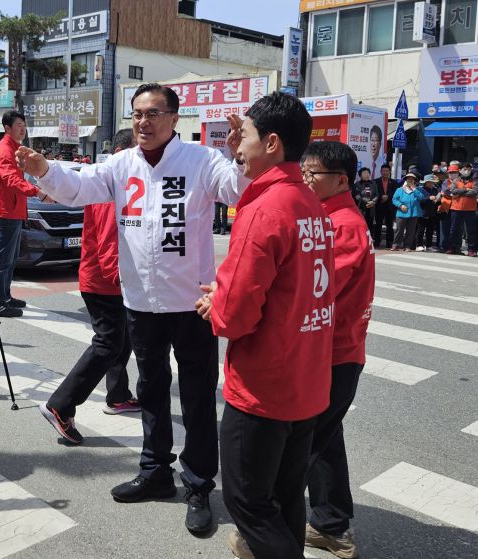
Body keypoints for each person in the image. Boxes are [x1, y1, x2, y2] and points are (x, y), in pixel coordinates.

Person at [16, 83, 246, 535]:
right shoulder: (121, 164)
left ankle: (198, 484)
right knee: (152, 390)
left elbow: (236, 190)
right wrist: (45, 170)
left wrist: (240, 158)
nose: (143, 121)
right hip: (141, 302)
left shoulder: (201, 161)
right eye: (138, 113)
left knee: (198, 397)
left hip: (193, 303)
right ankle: (155, 471)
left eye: (153, 113)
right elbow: (79, 186)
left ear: (174, 118)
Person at [196, 92, 334, 559]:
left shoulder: (264, 208)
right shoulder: (309, 202)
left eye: (246, 136)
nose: (237, 146)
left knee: (247, 501)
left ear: (272, 143)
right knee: (286, 494)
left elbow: (234, 317)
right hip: (305, 377)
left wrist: (216, 304)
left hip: (264, 384)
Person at [40, 128, 141, 445]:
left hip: (104, 279)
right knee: (108, 343)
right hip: (104, 282)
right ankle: (60, 405)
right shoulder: (113, 185)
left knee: (120, 340)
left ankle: (118, 395)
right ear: (123, 152)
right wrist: (124, 283)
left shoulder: (110, 180)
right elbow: (110, 243)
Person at [300, 141, 375, 559]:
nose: (306, 180)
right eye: (304, 172)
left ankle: (270, 526)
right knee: (324, 438)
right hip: (334, 349)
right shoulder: (329, 218)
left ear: (341, 180)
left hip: (334, 352)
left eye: (313, 174)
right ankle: (331, 524)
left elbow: (318, 289)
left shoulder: (340, 225)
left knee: (304, 440)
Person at [0, 110, 47, 318]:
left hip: (13, 210)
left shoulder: (15, 148)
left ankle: (4, 297)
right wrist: (37, 192)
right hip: (6, 211)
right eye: (18, 125)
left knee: (10, 258)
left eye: (24, 124)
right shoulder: (5, 150)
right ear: (7, 128)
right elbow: (11, 179)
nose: (23, 128)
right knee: (3, 258)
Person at [445, 161, 478, 256]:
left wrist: (460, 192)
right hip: (456, 208)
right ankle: (453, 248)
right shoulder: (456, 180)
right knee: (454, 229)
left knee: (471, 230)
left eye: (469, 169)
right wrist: (466, 190)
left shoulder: (475, 181)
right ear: (460, 170)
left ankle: (471, 250)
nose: (467, 171)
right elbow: (453, 191)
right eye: (465, 169)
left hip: (470, 209)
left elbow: (474, 192)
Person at [391, 172, 427, 251]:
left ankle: (407, 246)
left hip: (413, 213)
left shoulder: (417, 190)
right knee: (399, 230)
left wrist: (414, 189)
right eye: (408, 179)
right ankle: (396, 245)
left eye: (412, 179)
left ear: (414, 181)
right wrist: (400, 205)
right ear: (406, 180)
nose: (410, 180)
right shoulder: (400, 189)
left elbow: (421, 198)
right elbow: (394, 199)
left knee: (410, 231)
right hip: (401, 213)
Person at [373, 164, 397, 248]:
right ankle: (377, 241)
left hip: (390, 207)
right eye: (383, 171)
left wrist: (387, 196)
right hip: (379, 206)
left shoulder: (394, 182)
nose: (385, 172)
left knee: (389, 225)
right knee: (378, 224)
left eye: (387, 171)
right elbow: (375, 192)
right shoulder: (375, 181)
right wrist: (381, 196)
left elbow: (395, 193)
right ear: (380, 171)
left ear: (390, 172)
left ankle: (389, 242)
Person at [416, 174, 440, 252]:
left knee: (430, 231)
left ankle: (429, 245)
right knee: (420, 230)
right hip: (422, 212)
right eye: (429, 182)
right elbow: (420, 200)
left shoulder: (435, 190)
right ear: (425, 182)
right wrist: (429, 198)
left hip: (432, 212)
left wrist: (438, 200)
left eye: (432, 182)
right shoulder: (420, 189)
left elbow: (437, 201)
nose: (431, 183)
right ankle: (419, 245)